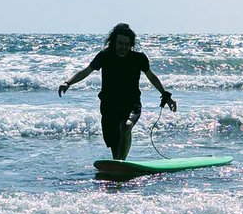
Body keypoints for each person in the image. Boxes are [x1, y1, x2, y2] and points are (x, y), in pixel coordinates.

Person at [58, 23, 176, 161]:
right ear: (114, 42)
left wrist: (166, 95)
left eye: (127, 44)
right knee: (114, 145)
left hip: (131, 104)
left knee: (126, 126)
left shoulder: (138, 58)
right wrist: (68, 83)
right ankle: (119, 164)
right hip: (109, 105)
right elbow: (86, 71)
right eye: (120, 43)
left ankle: (121, 162)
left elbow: (151, 77)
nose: (123, 47)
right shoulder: (104, 56)